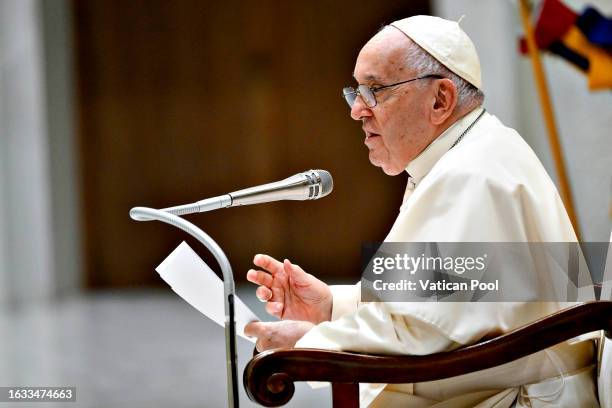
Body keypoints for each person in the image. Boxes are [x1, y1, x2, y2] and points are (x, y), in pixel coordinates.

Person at [244, 15, 598, 407]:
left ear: (440, 100)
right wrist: (332, 306)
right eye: (356, 92)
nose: (357, 110)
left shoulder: (472, 175)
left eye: (375, 90)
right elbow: (463, 301)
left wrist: (309, 345)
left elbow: (426, 328)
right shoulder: (477, 151)